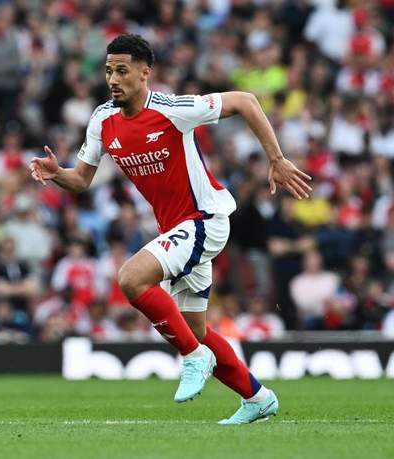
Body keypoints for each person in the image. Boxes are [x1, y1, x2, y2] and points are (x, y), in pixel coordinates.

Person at [30, 34, 312, 424]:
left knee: (131, 278)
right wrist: (56, 173)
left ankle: (194, 358)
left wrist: (276, 159)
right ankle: (258, 398)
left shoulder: (173, 109)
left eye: (122, 71)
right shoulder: (102, 119)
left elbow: (246, 101)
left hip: (204, 220)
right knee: (195, 328)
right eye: (109, 71)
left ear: (145, 73)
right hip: (178, 230)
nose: (113, 79)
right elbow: (80, 180)